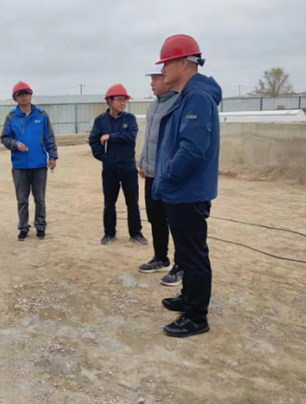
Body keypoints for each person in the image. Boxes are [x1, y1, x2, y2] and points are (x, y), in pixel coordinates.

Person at [152, 34, 222, 338]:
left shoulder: (197, 97)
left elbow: (192, 150)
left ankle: (196, 317)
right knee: (184, 252)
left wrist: (168, 176)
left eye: (166, 63)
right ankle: (188, 297)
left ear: (183, 63)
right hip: (180, 191)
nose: (162, 69)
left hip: (187, 192)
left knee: (193, 254)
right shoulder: (187, 95)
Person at [138, 68, 183, 286]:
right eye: (152, 79)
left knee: (176, 222)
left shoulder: (178, 103)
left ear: (167, 79)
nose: (152, 83)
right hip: (151, 174)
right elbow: (149, 138)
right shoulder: (154, 105)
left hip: (168, 175)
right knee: (155, 218)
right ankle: (161, 258)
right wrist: (142, 162)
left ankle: (181, 265)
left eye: (155, 78)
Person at [89, 84, 148, 246]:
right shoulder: (100, 121)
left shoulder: (130, 119)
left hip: (128, 167)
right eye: (119, 99)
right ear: (109, 101)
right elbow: (94, 141)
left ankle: (136, 233)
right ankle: (109, 232)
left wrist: (111, 136)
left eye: (125, 100)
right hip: (110, 169)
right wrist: (104, 158)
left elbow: (130, 137)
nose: (123, 103)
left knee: (132, 202)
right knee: (109, 202)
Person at [1, 81, 58, 241]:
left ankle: (40, 226)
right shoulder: (11, 117)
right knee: (22, 199)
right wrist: (14, 145)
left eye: (26, 93)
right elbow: (5, 138)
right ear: (15, 98)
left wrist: (52, 156)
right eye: (20, 94)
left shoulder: (41, 115)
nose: (24, 96)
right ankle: (23, 227)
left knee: (39, 198)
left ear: (31, 95)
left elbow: (49, 137)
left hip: (39, 164)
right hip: (19, 165)